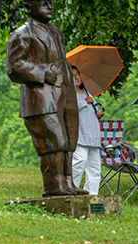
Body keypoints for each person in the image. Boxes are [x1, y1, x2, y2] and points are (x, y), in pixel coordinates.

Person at [6, 0, 88, 197]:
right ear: (27, 8)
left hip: (64, 95)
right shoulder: (22, 34)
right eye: (43, 3)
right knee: (53, 140)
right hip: (41, 98)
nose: (49, 6)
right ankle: (53, 185)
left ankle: (68, 183)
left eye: (50, 3)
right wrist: (42, 73)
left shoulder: (57, 32)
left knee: (68, 140)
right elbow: (14, 67)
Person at [71, 66, 105, 195]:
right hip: (79, 135)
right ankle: (71, 191)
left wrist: (98, 114)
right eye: (72, 75)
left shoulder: (87, 93)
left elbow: (93, 110)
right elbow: (70, 109)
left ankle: (91, 196)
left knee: (95, 169)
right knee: (79, 162)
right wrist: (85, 102)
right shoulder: (68, 94)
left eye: (77, 74)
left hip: (93, 136)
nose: (76, 77)